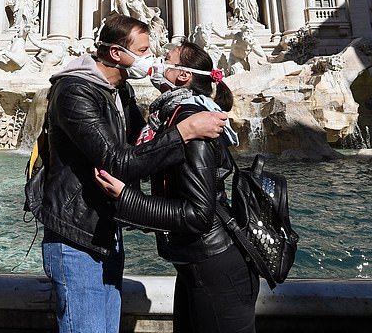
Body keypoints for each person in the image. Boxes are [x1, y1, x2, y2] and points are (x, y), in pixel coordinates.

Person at [34, 14, 228, 333]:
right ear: (116, 54)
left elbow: (142, 144)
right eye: (143, 50)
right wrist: (183, 132)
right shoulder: (75, 92)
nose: (149, 59)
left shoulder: (120, 89)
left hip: (106, 228)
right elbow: (118, 161)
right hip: (75, 234)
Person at [95, 41, 259, 333]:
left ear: (183, 75)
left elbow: (198, 214)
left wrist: (127, 199)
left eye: (165, 58)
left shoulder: (192, 122)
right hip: (196, 264)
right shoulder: (171, 117)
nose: (157, 62)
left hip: (217, 267)